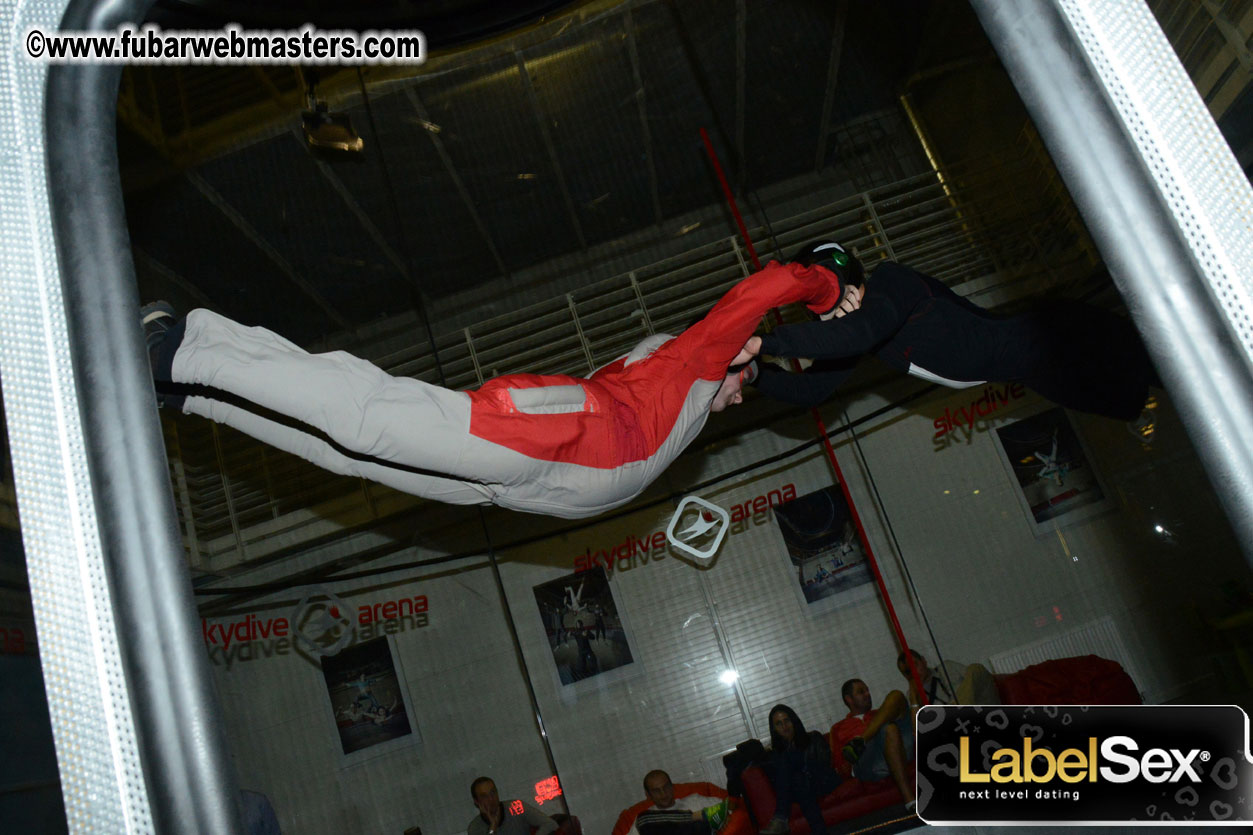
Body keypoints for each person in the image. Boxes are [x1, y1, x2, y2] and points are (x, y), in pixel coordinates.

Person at [141, 260, 843, 520]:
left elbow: (798, 393)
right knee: (369, 418)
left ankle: (193, 393)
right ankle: (180, 350)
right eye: (745, 379)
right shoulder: (696, 361)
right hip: (567, 440)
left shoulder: (691, 396)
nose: (742, 396)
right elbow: (764, 290)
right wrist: (826, 286)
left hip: (527, 490)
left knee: (351, 456)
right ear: (734, 355)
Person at [737, 242, 1160, 435]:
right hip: (1038, 369)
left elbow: (861, 330)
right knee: (1139, 400)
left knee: (1172, 368)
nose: (828, 312)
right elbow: (810, 390)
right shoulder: (859, 337)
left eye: (828, 296)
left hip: (1060, 339)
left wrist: (763, 343)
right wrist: (755, 373)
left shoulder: (889, 284)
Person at [829, 680, 914, 811]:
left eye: (867, 690)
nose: (867, 694)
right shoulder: (838, 728)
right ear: (849, 699)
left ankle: (860, 741)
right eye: (861, 692)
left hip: (898, 749)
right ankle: (910, 800)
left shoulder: (882, 713)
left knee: (896, 695)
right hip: (869, 764)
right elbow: (840, 765)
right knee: (889, 728)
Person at [760, 704, 840, 835]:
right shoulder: (776, 755)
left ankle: (781, 817)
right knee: (798, 780)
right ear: (774, 729)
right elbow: (778, 783)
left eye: (787, 721)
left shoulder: (813, 738)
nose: (785, 726)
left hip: (823, 781)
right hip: (800, 788)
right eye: (779, 724)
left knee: (797, 777)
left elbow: (825, 765)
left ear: (794, 721)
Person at [625, 770, 736, 835]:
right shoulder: (645, 819)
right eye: (656, 791)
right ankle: (700, 817)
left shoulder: (695, 801)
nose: (663, 793)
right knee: (644, 820)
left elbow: (732, 805)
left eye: (666, 787)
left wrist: (725, 817)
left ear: (672, 787)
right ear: (648, 795)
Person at [896, 648, 999, 707]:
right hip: (956, 727)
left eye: (915, 665)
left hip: (980, 708)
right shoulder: (913, 696)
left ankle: (957, 710)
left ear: (923, 661)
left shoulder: (947, 667)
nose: (914, 673)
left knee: (975, 668)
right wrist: (914, 697)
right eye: (908, 672)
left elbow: (977, 681)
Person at [467, 777, 557, 835]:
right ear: (476, 801)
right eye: (484, 796)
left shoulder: (515, 807)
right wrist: (492, 827)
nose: (491, 799)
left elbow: (550, 824)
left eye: (493, 792)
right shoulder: (475, 828)